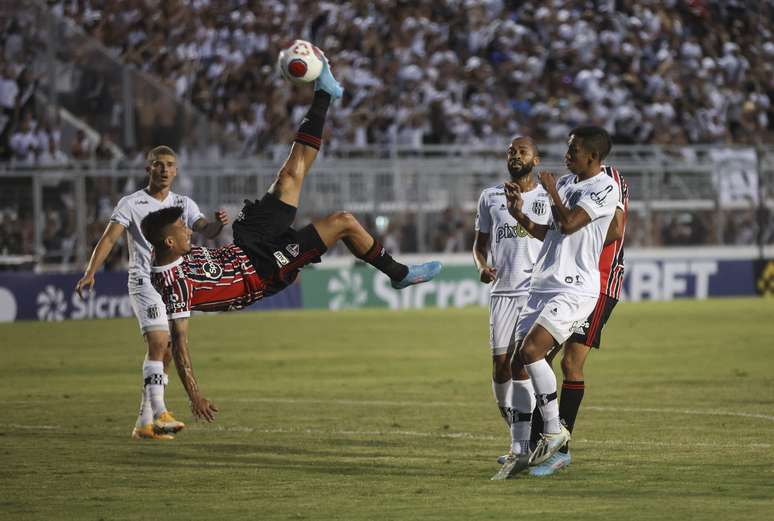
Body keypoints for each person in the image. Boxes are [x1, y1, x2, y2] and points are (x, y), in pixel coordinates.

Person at [140, 56, 442, 424]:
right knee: (343, 221)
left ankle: (325, 93)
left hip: (246, 245)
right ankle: (399, 273)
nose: (188, 231)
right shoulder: (172, 284)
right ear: (168, 243)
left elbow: (195, 238)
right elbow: (180, 343)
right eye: (181, 231)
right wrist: (195, 392)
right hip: (263, 271)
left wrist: (211, 227)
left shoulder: (172, 252)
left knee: (289, 175)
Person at [75, 145, 229, 441]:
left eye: (170, 164)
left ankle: (144, 422)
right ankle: (160, 412)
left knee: (168, 350)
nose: (164, 169)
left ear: (176, 170)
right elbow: (109, 239)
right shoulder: (131, 203)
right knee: (159, 340)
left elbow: (204, 230)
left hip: (174, 281)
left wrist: (218, 225)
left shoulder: (183, 203)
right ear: (148, 169)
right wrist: (91, 272)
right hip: (144, 281)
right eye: (158, 164)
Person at [492, 126, 620, 480]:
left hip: (575, 288)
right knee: (520, 364)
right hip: (542, 284)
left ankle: (554, 431)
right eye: (568, 147)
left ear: (592, 156)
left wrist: (551, 191)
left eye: (574, 149)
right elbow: (548, 231)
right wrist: (519, 214)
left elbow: (569, 223)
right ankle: (520, 449)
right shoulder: (565, 183)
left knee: (533, 352)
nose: (567, 154)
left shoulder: (604, 188)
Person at [529, 164, 629, 476]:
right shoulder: (572, 181)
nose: (568, 155)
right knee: (538, 357)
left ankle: (560, 450)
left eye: (574, 149)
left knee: (569, 363)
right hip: (567, 281)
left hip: (597, 280)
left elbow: (615, 228)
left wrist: (576, 242)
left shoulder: (609, 179)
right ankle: (535, 445)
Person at [472, 136, 549, 461]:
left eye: (522, 152)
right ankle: (518, 433)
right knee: (500, 369)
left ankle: (525, 443)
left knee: (521, 366)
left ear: (536, 159)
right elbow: (479, 244)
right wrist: (482, 266)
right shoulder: (490, 197)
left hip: (535, 292)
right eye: (511, 152)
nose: (515, 156)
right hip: (502, 293)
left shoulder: (548, 198)